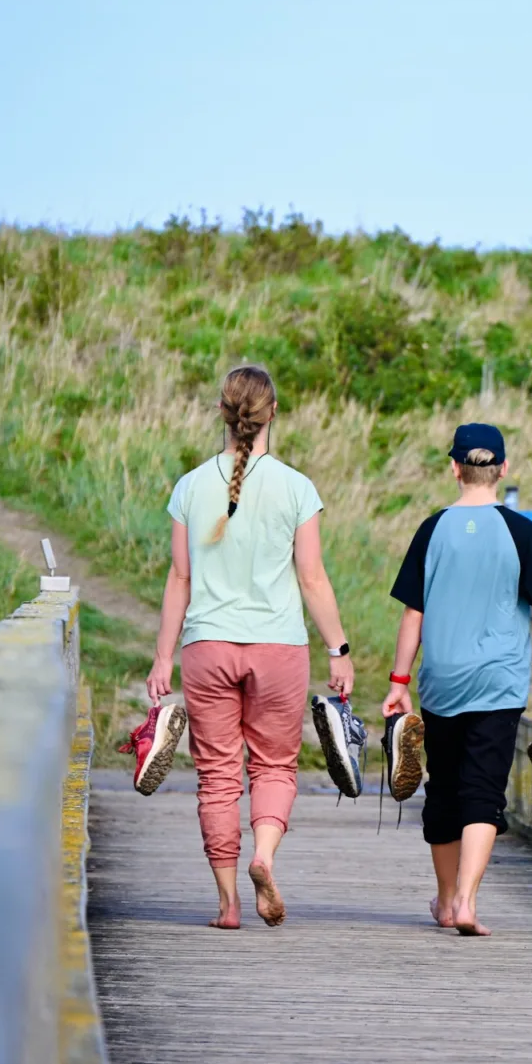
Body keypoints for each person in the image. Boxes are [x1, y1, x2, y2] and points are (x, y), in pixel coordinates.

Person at [144, 364, 354, 930]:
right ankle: (263, 856)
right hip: (278, 648)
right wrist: (338, 649)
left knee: (217, 776)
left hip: (207, 647)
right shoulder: (297, 487)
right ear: (272, 414)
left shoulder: (189, 487)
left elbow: (179, 579)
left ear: (222, 411)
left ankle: (228, 904)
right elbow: (312, 578)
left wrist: (163, 658)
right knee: (275, 765)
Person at [382, 422, 532, 936]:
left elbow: (413, 615)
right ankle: (468, 901)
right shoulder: (521, 531)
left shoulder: (432, 529)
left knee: (443, 787)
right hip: (498, 683)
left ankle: (446, 902)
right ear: (503, 469)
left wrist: (399, 681)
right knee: (483, 788)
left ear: (454, 468)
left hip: (442, 681)